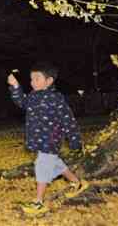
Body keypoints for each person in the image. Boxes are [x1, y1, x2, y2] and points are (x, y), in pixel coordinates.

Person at [7, 63, 89, 216]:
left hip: (51, 139)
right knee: (55, 163)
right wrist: (16, 86)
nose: (33, 82)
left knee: (42, 166)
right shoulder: (32, 96)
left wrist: (74, 140)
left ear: (49, 81)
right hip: (37, 139)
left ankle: (39, 202)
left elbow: (68, 119)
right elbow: (21, 102)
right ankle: (77, 183)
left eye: (37, 79)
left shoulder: (56, 98)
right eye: (31, 79)